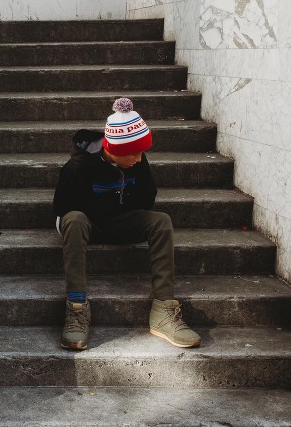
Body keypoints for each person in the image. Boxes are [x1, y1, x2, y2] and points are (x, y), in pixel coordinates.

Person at [52, 97, 200, 351]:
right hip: (88, 225)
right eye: (133, 153)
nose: (139, 159)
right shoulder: (77, 168)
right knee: (74, 220)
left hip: (120, 221)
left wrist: (126, 187)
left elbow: (147, 200)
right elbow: (62, 211)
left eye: (142, 152)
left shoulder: (136, 163)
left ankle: (163, 309)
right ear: (114, 150)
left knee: (161, 221)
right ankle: (76, 307)